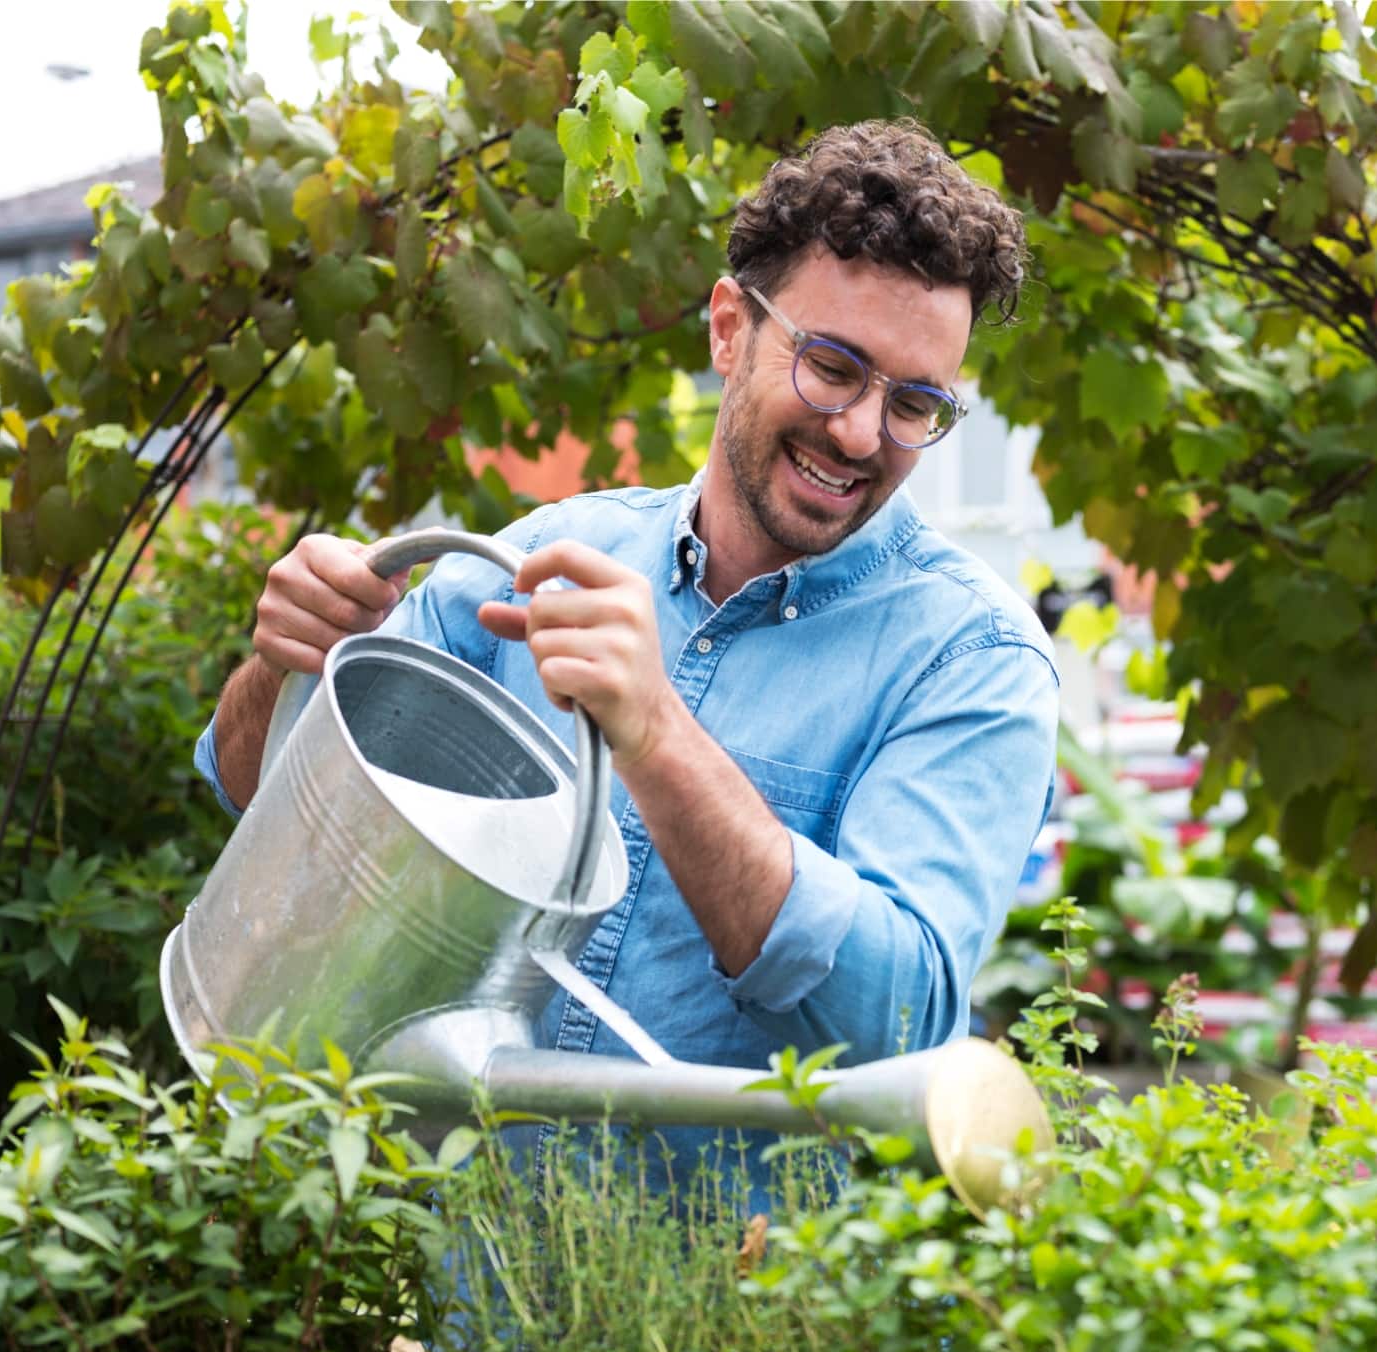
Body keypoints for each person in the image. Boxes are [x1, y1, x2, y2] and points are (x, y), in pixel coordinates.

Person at [196, 119, 1059, 1208]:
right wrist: (285, 661)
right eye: (834, 366)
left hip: (748, 1337)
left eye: (914, 403)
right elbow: (262, 800)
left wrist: (656, 734)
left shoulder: (971, 659)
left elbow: (897, 1019)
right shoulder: (536, 564)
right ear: (729, 328)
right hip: (467, 1308)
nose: (859, 433)